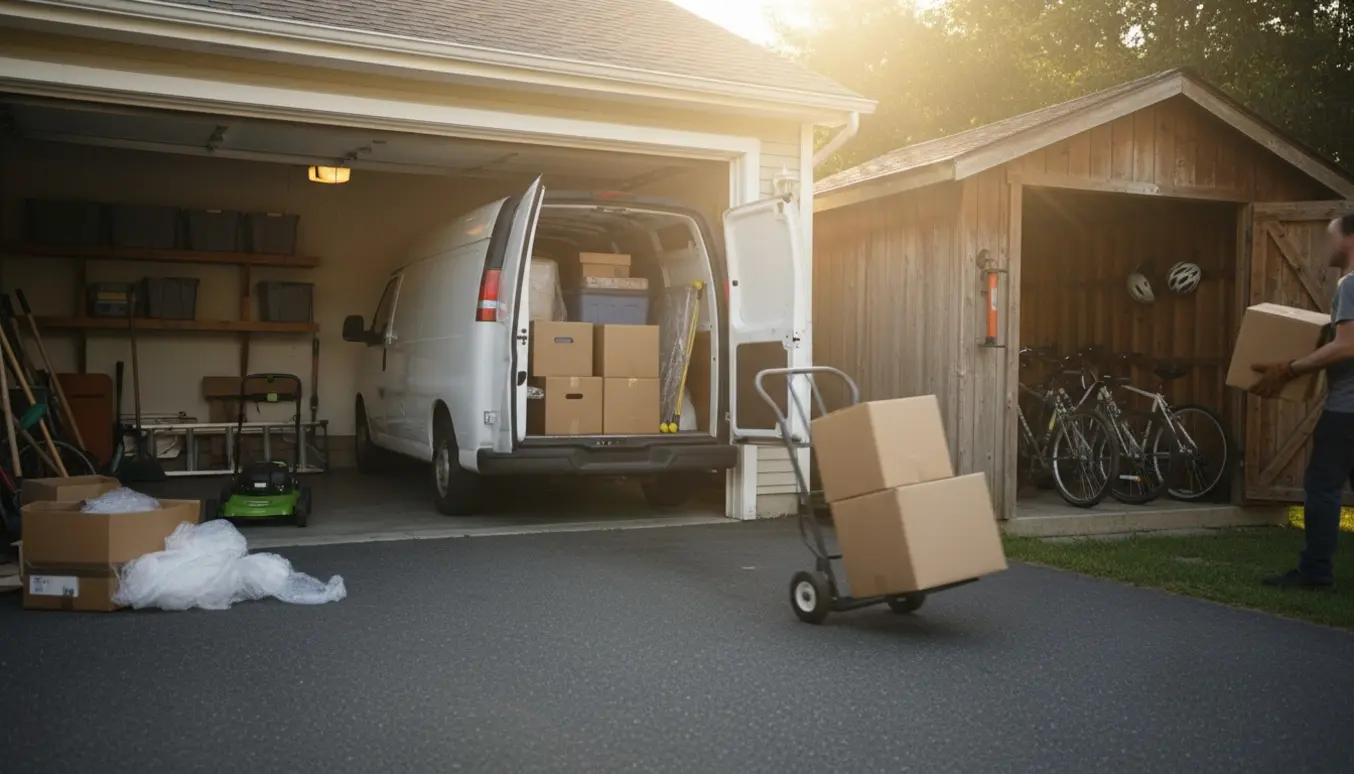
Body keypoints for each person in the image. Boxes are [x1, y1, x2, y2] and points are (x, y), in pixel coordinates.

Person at [1250, 213, 1354, 590]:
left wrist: (1290, 369)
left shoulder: (1351, 284)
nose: (1325, 246)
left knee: (1323, 489)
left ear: (1349, 239)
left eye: (1330, 238)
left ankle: (1315, 574)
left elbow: (1347, 346)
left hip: (1346, 412)